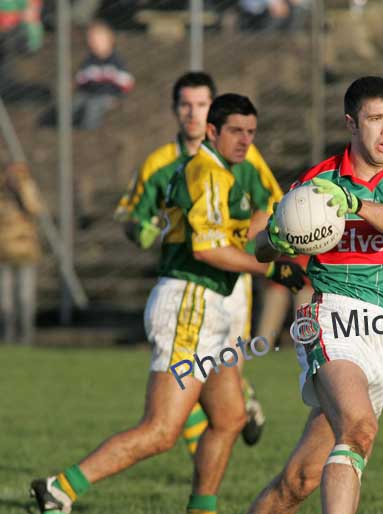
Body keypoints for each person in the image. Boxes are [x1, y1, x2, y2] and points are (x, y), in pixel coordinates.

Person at [29, 93, 305, 514]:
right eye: (236, 131)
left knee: (230, 417)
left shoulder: (223, 172)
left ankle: (202, 507)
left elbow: (230, 230)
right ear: (212, 131)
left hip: (210, 302)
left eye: (251, 132)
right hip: (190, 303)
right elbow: (207, 249)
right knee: (161, 430)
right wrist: (269, 269)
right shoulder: (208, 173)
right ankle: (59, 488)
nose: (245, 140)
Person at [247, 76, 383, 514]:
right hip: (331, 317)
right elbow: (260, 247)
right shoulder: (317, 181)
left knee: (298, 481)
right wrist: (278, 236)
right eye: (376, 119)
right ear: (352, 124)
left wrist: (354, 204)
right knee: (359, 429)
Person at [114, 71, 279, 455]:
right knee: (182, 402)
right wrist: (141, 230)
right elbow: (132, 217)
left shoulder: (244, 156)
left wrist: (236, 237)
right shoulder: (159, 163)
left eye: (201, 104)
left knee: (223, 373)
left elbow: (272, 202)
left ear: (211, 114)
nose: (192, 112)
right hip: (190, 283)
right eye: (185, 105)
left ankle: (237, 396)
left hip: (233, 280)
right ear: (175, 110)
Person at [0, 161, 43, 345]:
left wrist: (22, 189)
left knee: (25, 297)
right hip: (3, 251)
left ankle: (26, 337)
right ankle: (7, 336)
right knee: (5, 300)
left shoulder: (27, 189)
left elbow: (35, 209)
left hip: (26, 251)